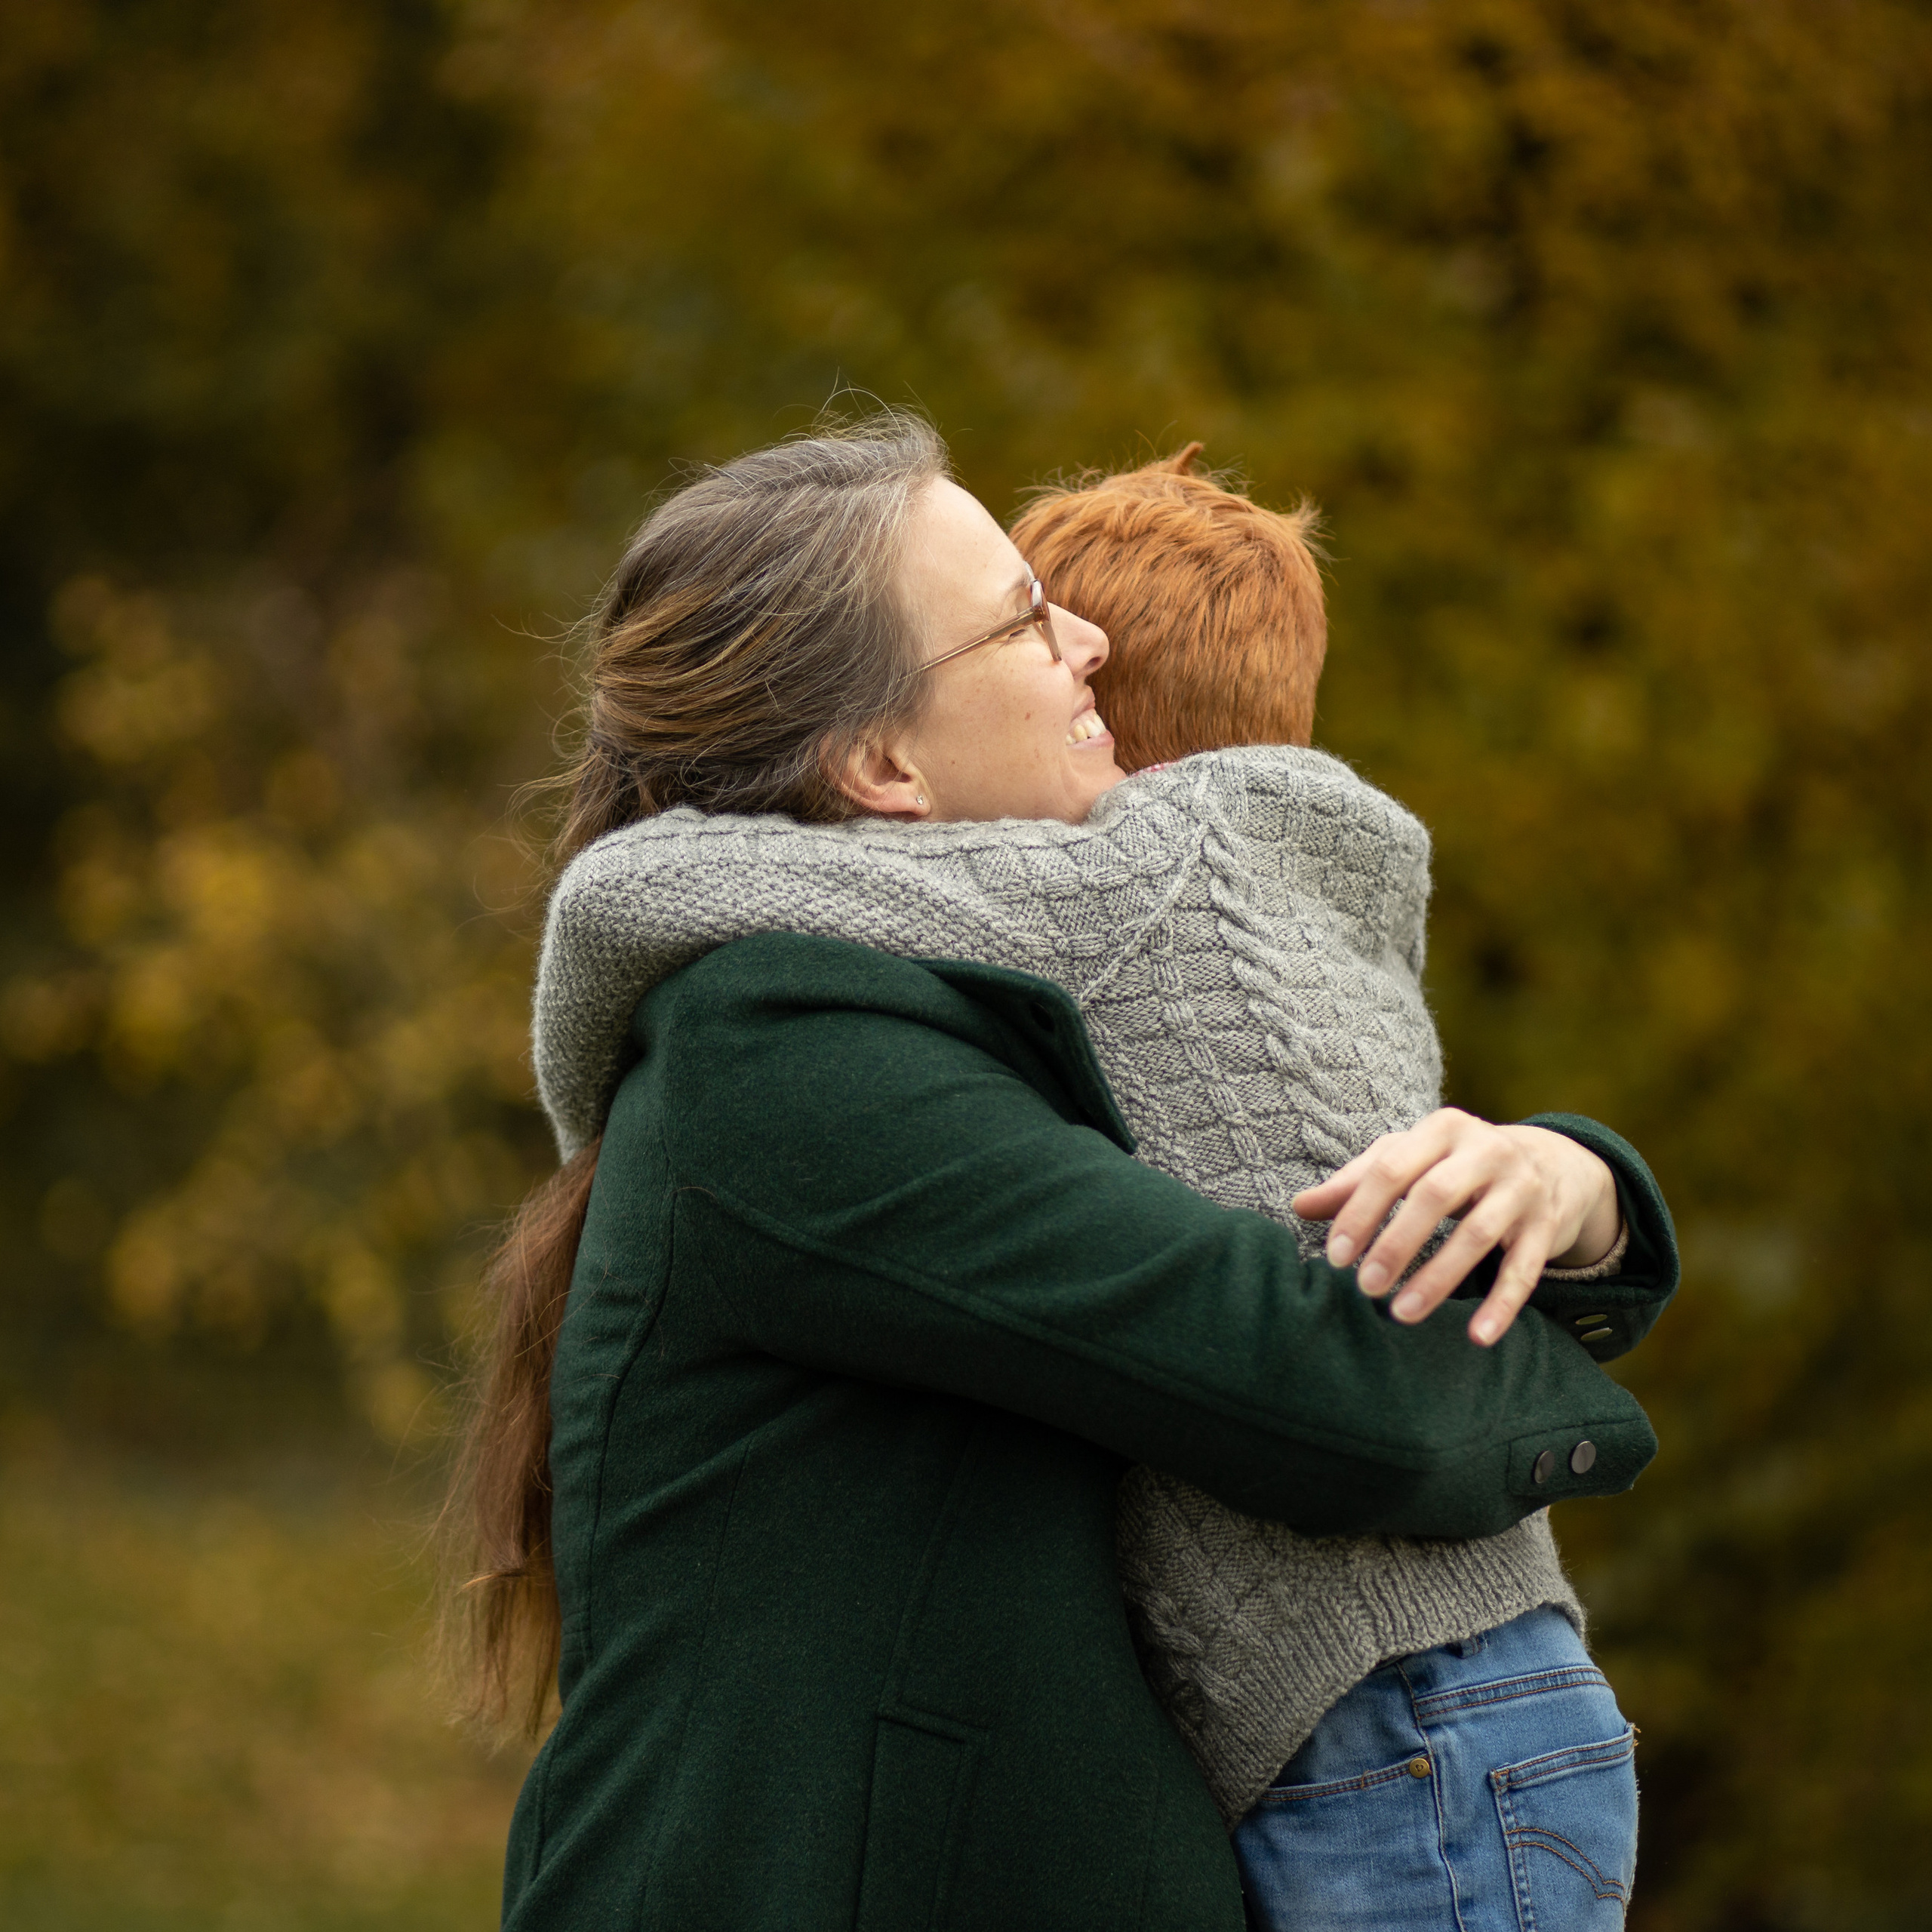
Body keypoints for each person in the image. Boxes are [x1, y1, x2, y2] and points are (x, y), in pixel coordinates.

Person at [452, 414, 1678, 1932]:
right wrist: (1594, 1334)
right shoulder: (785, 1055)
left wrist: (1566, 1180)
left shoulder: (922, 1004)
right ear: (882, 762)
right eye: (1023, 618)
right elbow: (1321, 1381)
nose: (1088, 639)